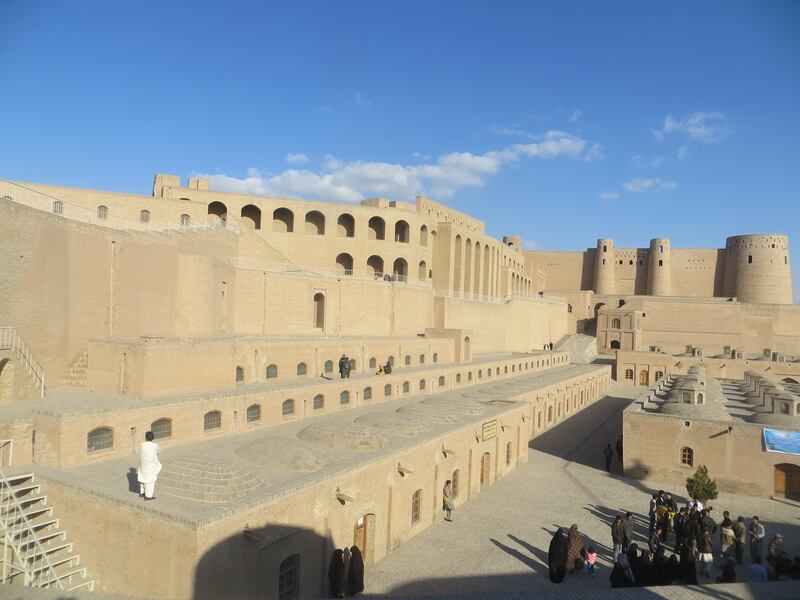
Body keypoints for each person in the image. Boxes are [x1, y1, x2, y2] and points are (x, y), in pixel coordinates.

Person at [137, 431, 161, 501]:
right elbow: (159, 451)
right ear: (153, 438)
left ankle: (142, 493)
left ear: (145, 437)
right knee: (150, 480)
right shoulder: (155, 445)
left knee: (142, 477)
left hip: (143, 463)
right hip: (150, 465)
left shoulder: (142, 444)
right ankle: (148, 496)